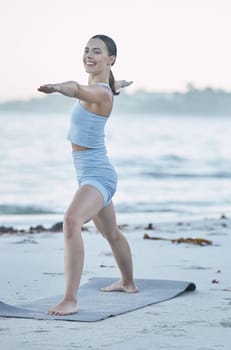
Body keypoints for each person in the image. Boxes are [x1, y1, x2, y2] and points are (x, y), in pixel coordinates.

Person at [38, 34, 137, 316]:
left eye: (96, 51)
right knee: (111, 233)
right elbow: (106, 87)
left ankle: (70, 299)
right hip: (91, 174)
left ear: (111, 59)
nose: (88, 55)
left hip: (98, 176)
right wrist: (121, 83)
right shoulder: (105, 87)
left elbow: (79, 90)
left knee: (71, 221)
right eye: (86, 50)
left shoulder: (100, 92)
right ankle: (128, 282)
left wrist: (59, 87)